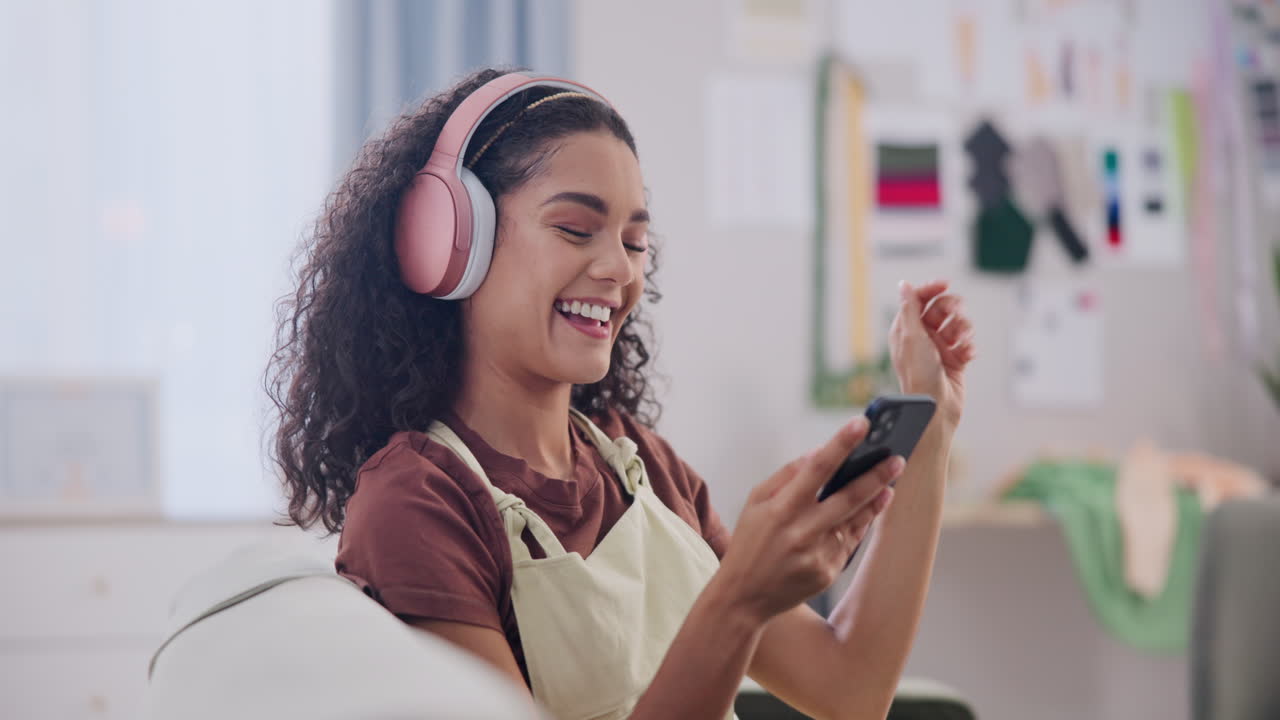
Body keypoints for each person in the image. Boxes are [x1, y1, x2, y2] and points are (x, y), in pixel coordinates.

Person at [266, 66, 976, 720]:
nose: (618, 270)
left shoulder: (637, 463)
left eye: (635, 242)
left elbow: (848, 688)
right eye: (576, 229)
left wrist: (934, 425)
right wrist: (736, 601)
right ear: (449, 239)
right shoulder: (416, 502)